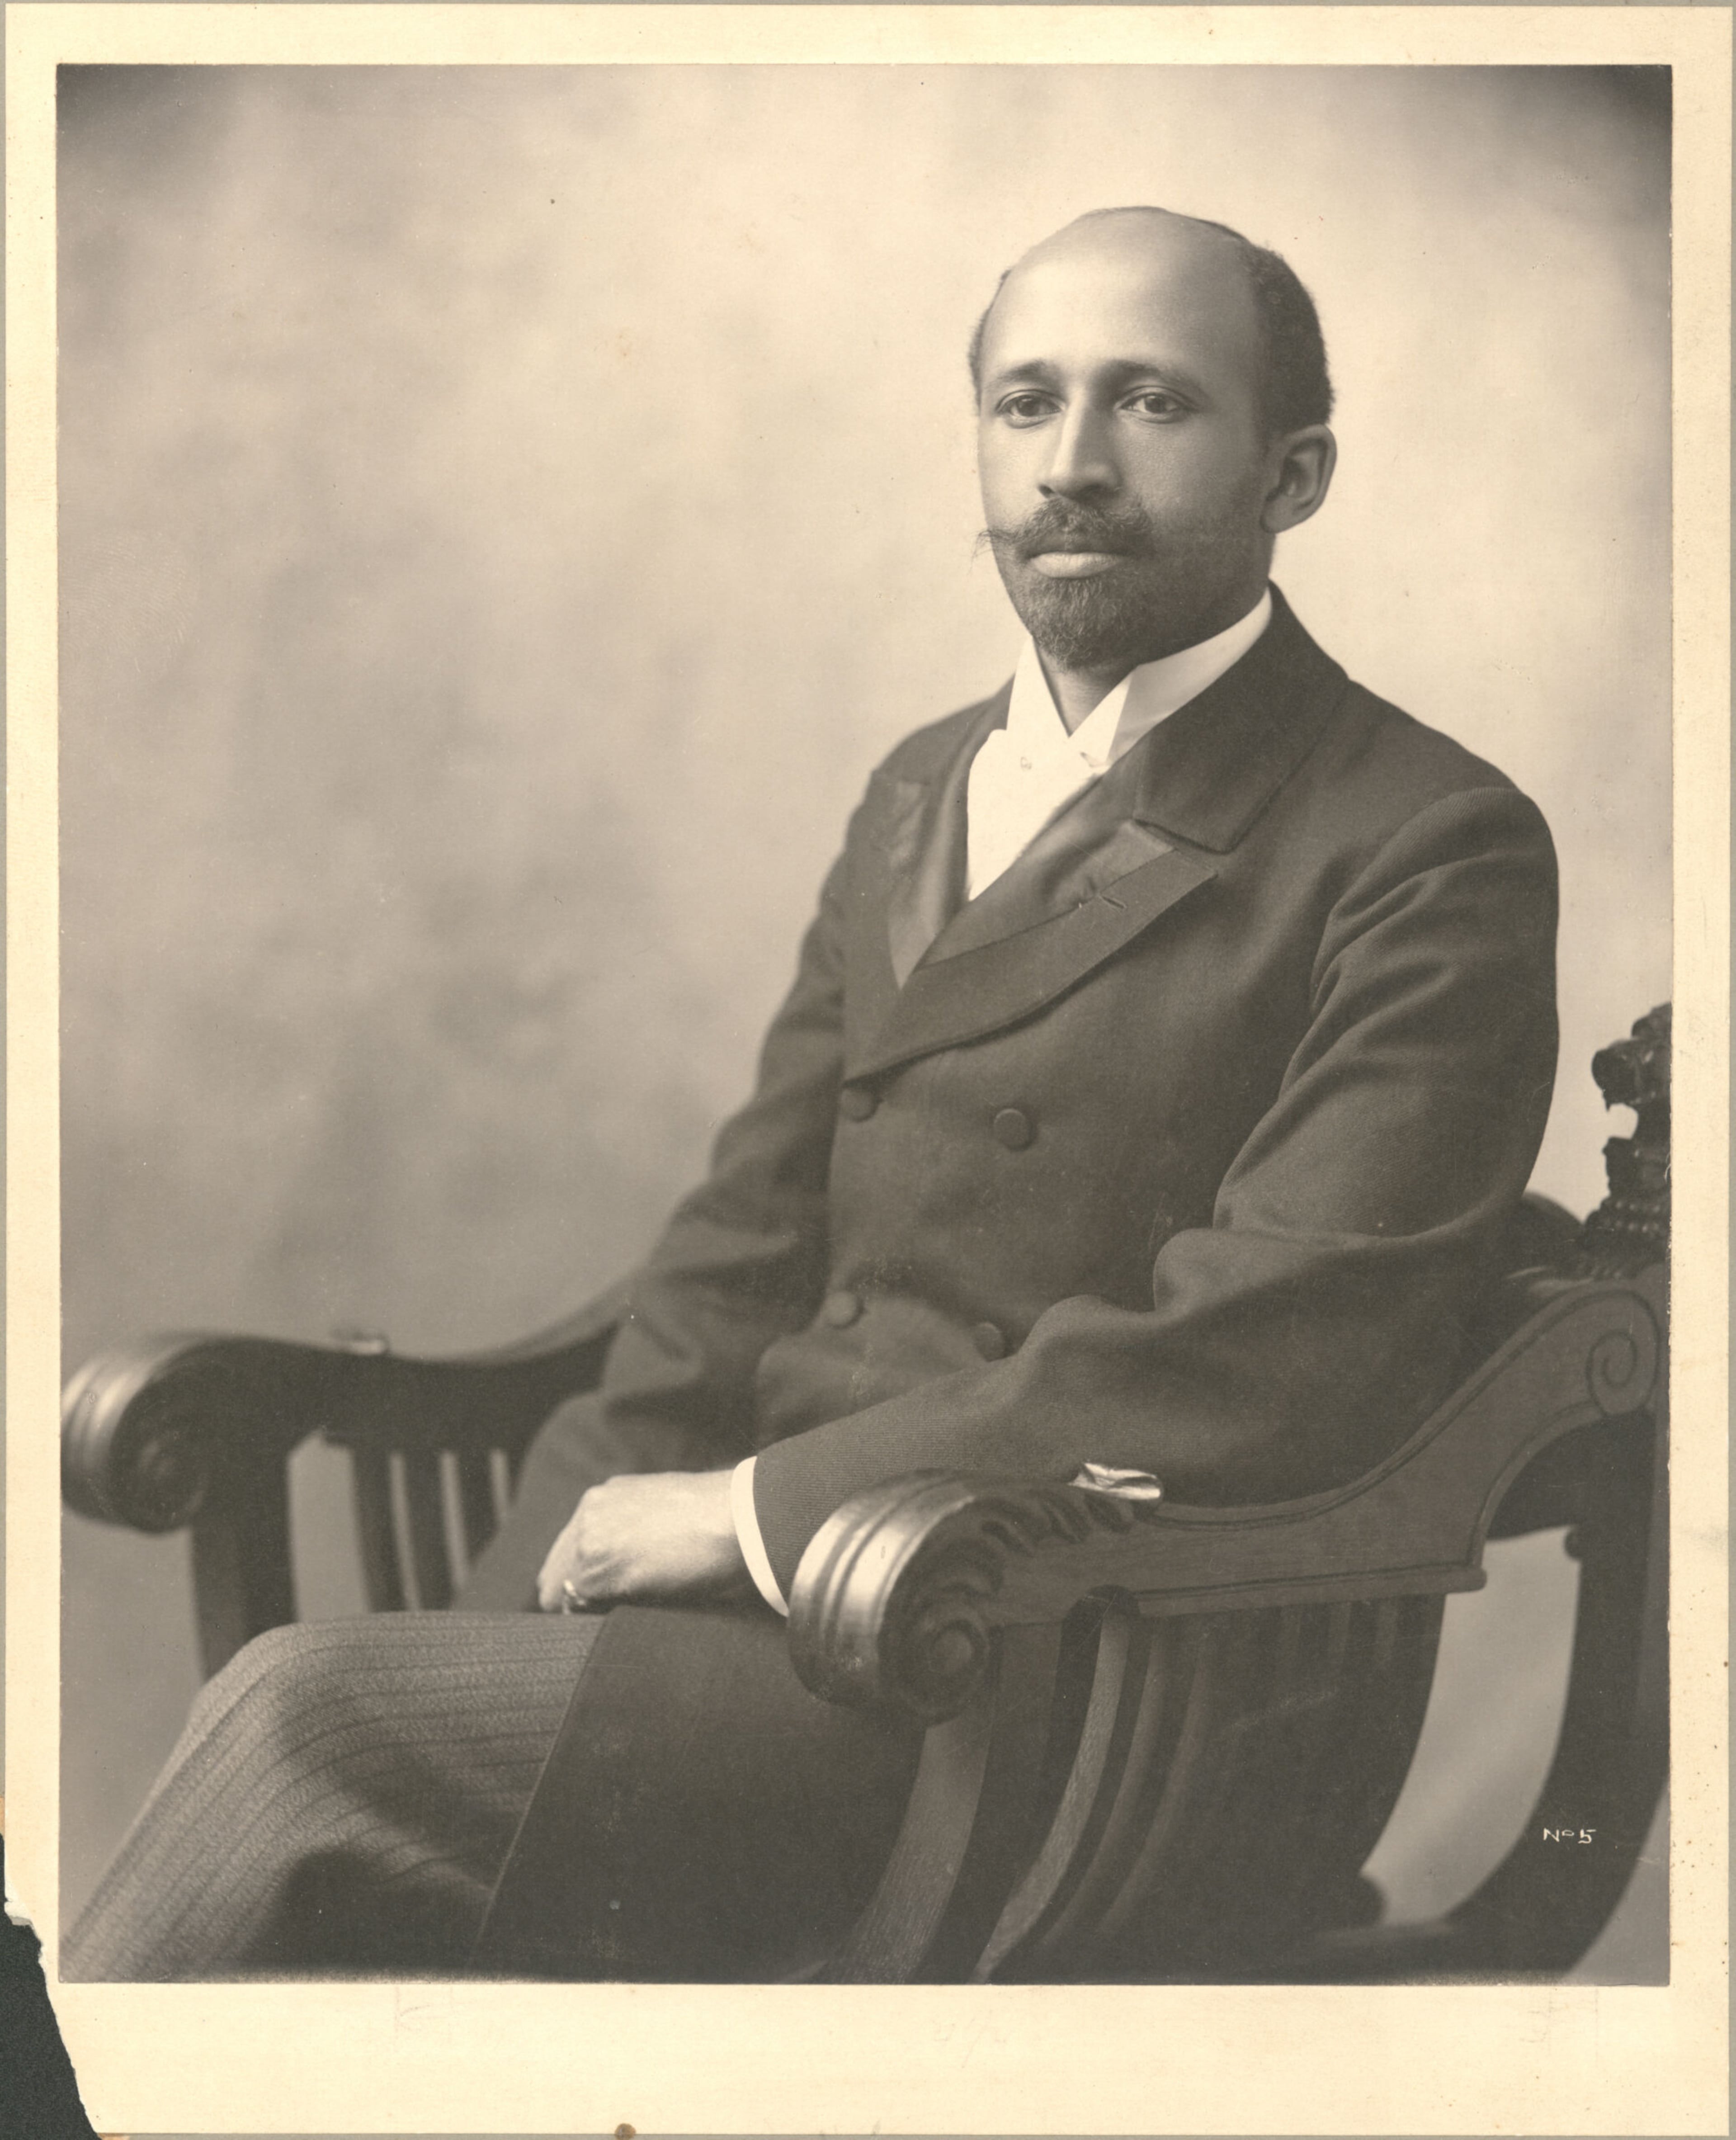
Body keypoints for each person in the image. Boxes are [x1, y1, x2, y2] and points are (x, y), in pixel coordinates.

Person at [64, 204, 1557, 1981]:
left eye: (1153, 402)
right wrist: (513, 1600)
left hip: (1079, 1677)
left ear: (1293, 474)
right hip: (793, 1632)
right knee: (329, 1740)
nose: (1071, 465)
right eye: (1025, 403)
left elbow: (1279, 1352)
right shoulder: (925, 788)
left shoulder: (1422, 838)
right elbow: (735, 1260)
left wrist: (747, 1515)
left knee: (300, 1729)